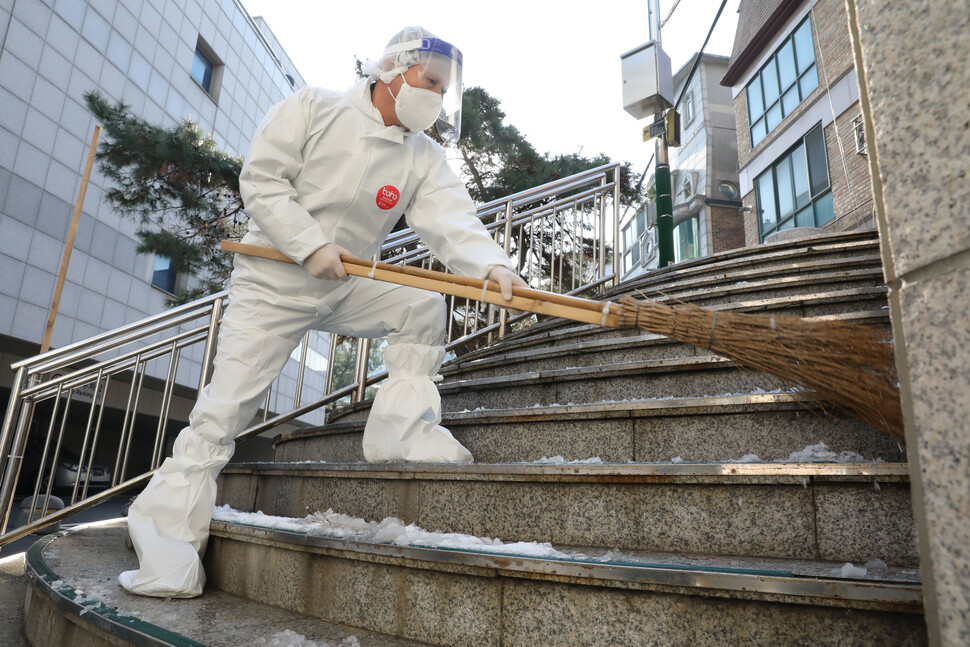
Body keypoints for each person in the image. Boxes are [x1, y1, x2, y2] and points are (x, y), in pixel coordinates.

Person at [118, 26, 526, 598]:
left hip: (346, 283)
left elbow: (451, 219)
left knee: (422, 305)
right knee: (221, 416)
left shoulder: (423, 157)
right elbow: (262, 179)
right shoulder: (314, 107)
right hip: (273, 283)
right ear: (394, 70)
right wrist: (309, 243)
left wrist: (492, 267)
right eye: (429, 82)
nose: (435, 97)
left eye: (442, 89)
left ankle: (402, 434)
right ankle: (165, 541)